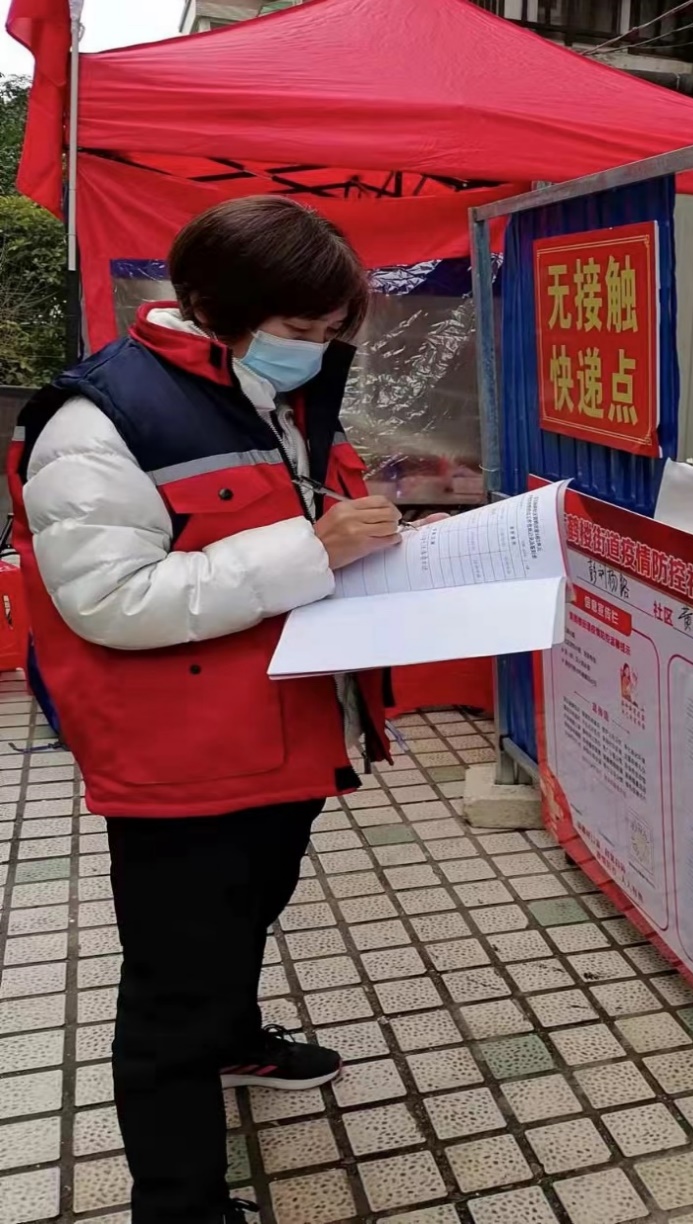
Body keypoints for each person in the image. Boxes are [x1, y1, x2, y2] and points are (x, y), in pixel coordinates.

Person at [7, 197, 418, 1224]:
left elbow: (269, 518)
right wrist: (311, 549)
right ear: (210, 306)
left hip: (282, 732)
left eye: (332, 329)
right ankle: (179, 1203)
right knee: (171, 991)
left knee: (249, 908)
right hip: (182, 758)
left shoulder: (269, 392)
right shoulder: (96, 422)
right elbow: (108, 599)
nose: (317, 348)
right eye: (300, 328)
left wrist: (343, 526)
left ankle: (236, 1040)